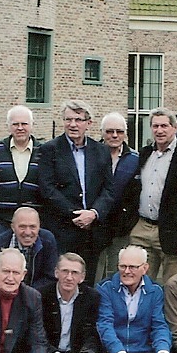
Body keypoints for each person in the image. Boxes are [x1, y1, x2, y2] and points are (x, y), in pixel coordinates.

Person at [119, 107, 177, 285]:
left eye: (164, 126)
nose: (159, 130)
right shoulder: (144, 154)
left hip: (173, 233)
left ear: (175, 127)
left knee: (172, 287)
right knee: (139, 286)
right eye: (155, 126)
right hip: (141, 229)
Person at [39, 99, 114, 279]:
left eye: (78, 120)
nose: (73, 124)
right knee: (63, 279)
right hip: (63, 229)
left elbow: (109, 189)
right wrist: (76, 214)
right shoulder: (50, 149)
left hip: (92, 232)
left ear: (89, 123)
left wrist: (94, 213)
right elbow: (47, 189)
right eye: (68, 119)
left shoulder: (101, 151)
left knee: (87, 282)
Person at [92, 112, 140, 281]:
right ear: (101, 132)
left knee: (117, 272)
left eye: (119, 131)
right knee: (94, 273)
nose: (114, 135)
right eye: (109, 131)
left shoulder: (135, 159)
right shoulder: (90, 155)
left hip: (121, 228)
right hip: (94, 226)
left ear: (125, 133)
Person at [0, 104, 42, 235]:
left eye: (24, 124)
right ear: (8, 126)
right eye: (15, 124)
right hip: (2, 222)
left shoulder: (44, 152)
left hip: (33, 225)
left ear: (32, 125)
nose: (20, 128)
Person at [0, 205, 60, 295]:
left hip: (37, 294)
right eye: (22, 227)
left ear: (39, 226)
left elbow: (50, 277)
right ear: (13, 227)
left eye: (33, 227)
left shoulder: (48, 240)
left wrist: (27, 294)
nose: (28, 232)